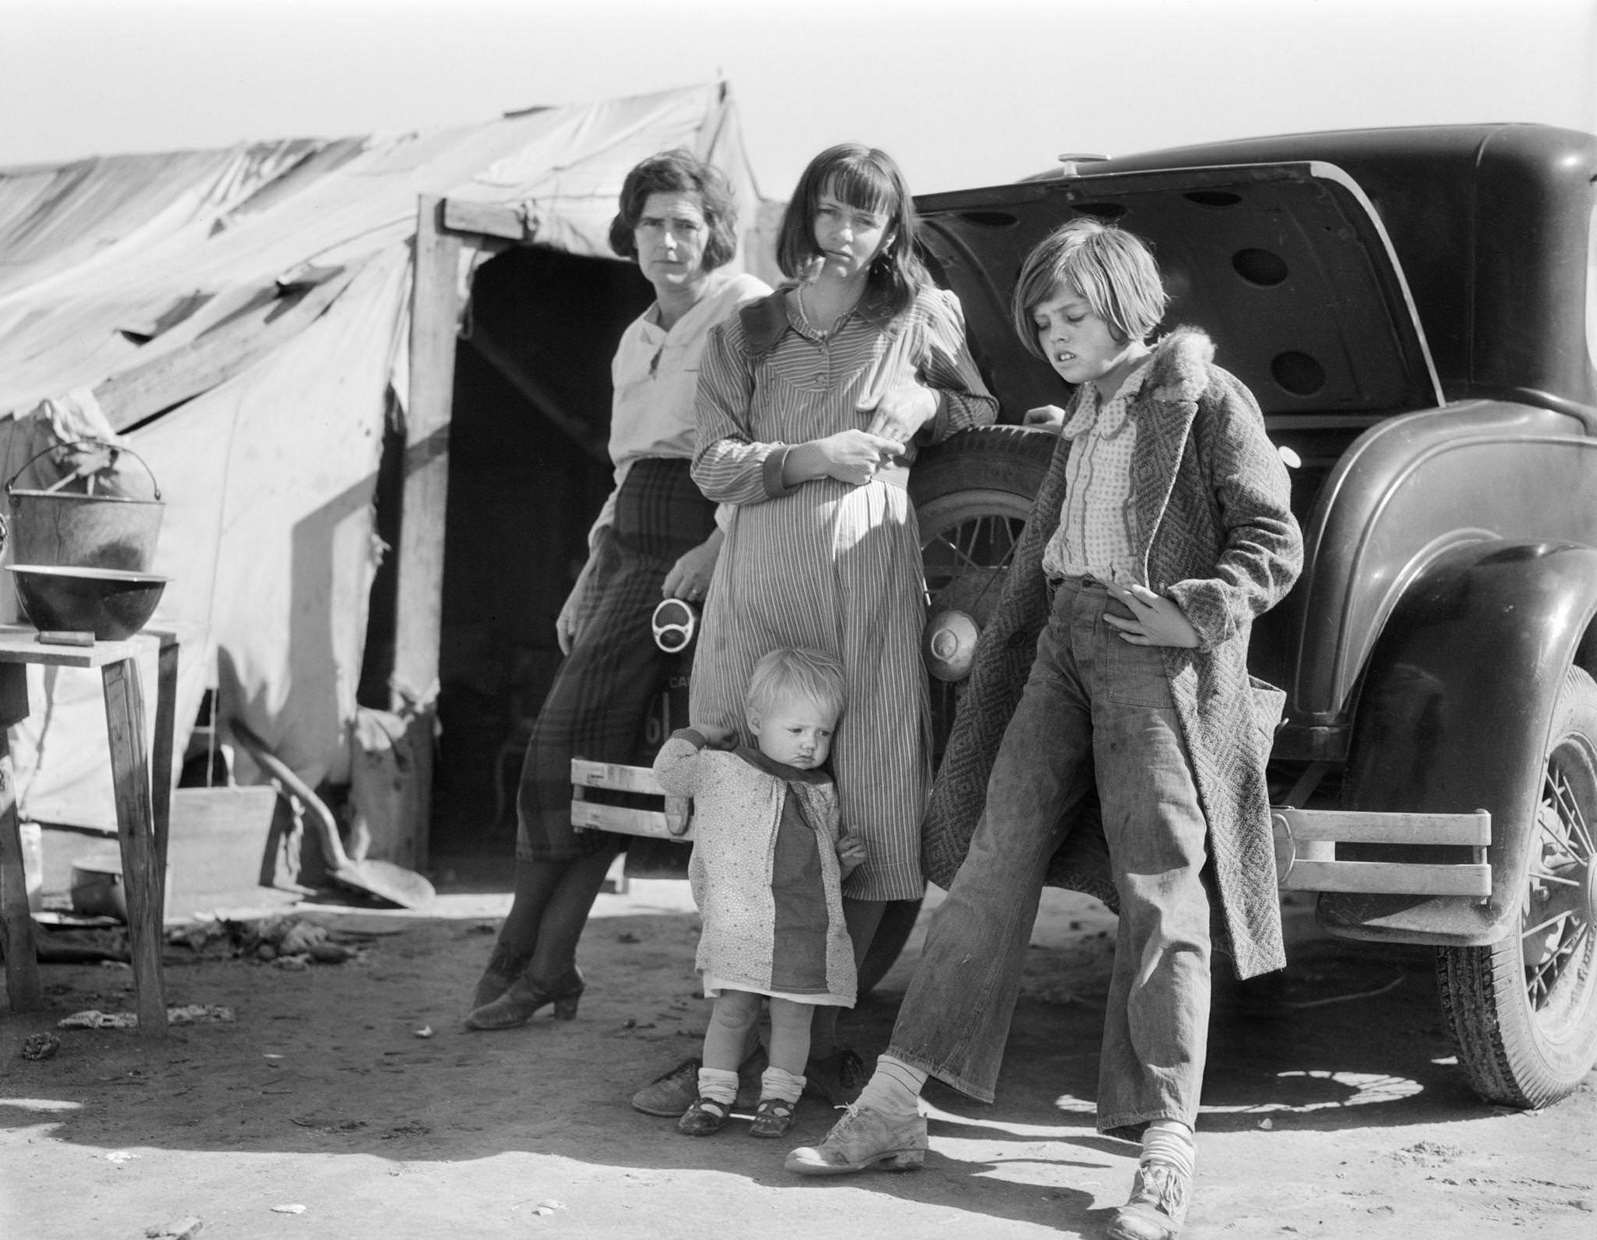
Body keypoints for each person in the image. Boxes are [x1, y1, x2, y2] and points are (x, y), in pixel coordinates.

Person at [785, 218, 1303, 1240]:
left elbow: (1273, 537)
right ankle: (894, 1103)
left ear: (1123, 301)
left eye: (1069, 313)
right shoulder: (1083, 413)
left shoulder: (1207, 398)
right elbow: (1053, 548)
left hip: (1150, 652)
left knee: (1161, 886)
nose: (1052, 332)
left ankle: (1163, 1149)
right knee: (988, 861)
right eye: (1041, 319)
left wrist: (1194, 608)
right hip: (1059, 647)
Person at [685, 141, 999, 1104]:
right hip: (761, 584)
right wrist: (808, 455)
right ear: (805, 217)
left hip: (868, 583)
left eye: (867, 217)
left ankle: (815, 1042)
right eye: (830, 212)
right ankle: (733, 1040)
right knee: (748, 804)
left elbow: (977, 408)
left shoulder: (918, 314)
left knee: (866, 803)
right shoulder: (745, 330)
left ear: (892, 227)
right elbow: (710, 464)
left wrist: (927, 398)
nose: (847, 233)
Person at [464, 150, 769, 1031]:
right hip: (629, 542)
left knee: (568, 751)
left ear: (714, 229)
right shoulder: (636, 337)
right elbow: (626, 469)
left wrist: (718, 545)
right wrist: (591, 570)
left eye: (686, 223)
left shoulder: (744, 311)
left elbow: (760, 447)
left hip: (697, 538)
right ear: (628, 233)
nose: (669, 242)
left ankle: (524, 959)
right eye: (652, 224)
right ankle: (544, 964)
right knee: (586, 763)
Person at [653, 647, 866, 1139]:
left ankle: (777, 1102)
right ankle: (714, 1097)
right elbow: (670, 771)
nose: (810, 745)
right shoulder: (723, 769)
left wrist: (844, 863)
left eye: (823, 733)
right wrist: (701, 734)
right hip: (743, 928)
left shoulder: (821, 791)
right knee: (732, 1013)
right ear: (755, 719)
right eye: (796, 731)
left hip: (802, 930)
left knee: (795, 1020)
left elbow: (819, 875)